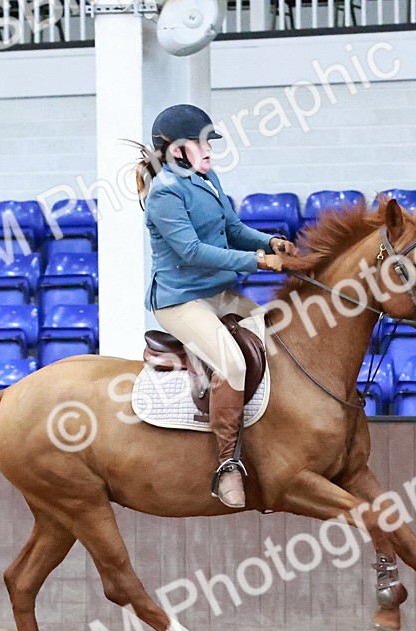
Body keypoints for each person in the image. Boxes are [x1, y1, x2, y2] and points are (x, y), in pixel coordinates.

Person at [133, 104, 298, 509]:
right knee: (234, 363)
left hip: (218, 292)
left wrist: (267, 242)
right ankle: (227, 465)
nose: (210, 150)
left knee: (281, 337)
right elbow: (191, 251)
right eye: (201, 143)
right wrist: (256, 262)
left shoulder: (207, 178)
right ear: (175, 150)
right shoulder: (165, 193)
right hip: (182, 300)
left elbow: (232, 230)